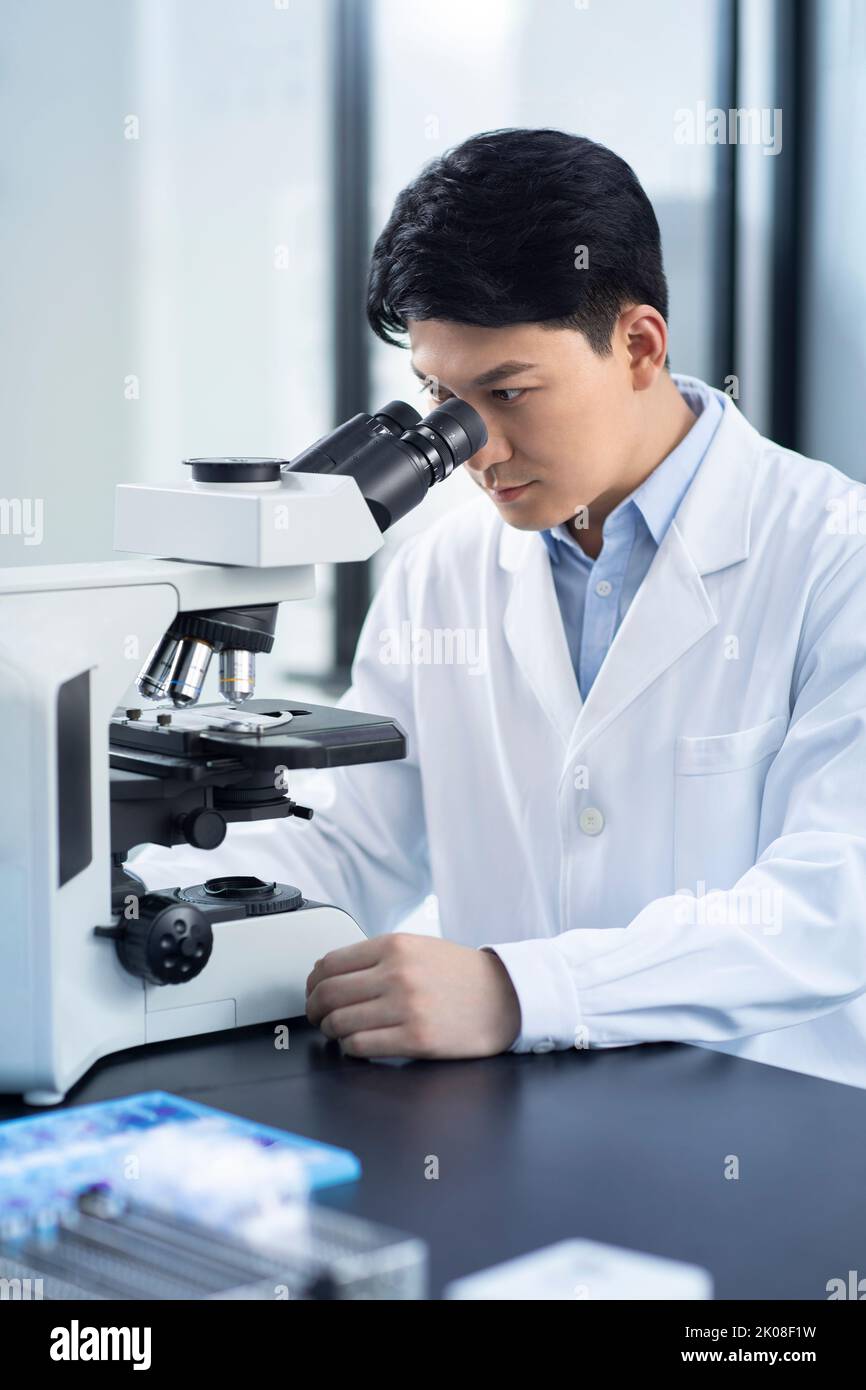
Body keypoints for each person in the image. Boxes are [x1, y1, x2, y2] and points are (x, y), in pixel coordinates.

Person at [134, 129, 866, 1087]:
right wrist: (121, 897)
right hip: (508, 1128)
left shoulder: (833, 556)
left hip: (769, 1129)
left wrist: (523, 992)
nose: (474, 449)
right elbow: (355, 845)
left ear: (639, 345)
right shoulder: (442, 569)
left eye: (508, 392)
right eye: (438, 396)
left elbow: (831, 909)